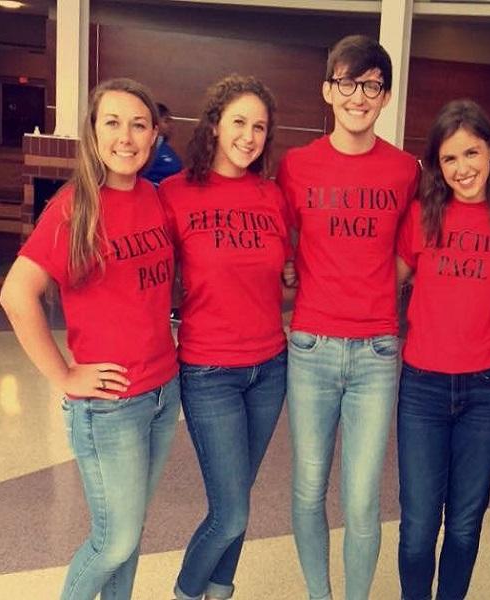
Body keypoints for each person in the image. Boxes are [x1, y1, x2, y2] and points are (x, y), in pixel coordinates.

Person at [0, 78, 180, 600]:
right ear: (94, 133)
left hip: (163, 393)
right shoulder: (76, 205)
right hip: (109, 407)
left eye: (139, 125)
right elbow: (16, 294)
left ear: (154, 137)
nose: (126, 136)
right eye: (113, 123)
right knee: (115, 539)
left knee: (130, 536)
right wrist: (63, 373)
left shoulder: (154, 197)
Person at [276, 34, 420, 600]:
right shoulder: (296, 166)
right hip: (310, 348)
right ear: (327, 91)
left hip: (377, 353)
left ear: (384, 96)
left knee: (362, 499)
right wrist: (291, 270)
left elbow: (415, 250)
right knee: (309, 489)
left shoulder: (405, 171)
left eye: (371, 85)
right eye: (346, 83)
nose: (358, 96)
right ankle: (320, 594)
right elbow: (274, 236)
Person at [160, 75, 290, 600]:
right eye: (239, 121)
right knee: (231, 510)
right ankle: (188, 592)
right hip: (209, 370)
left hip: (269, 368)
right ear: (214, 124)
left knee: (240, 500)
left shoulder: (272, 195)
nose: (249, 135)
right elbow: (145, 273)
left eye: (260, 126)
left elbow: (279, 275)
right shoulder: (173, 195)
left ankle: (220, 591)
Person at [395, 100, 490, 600]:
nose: (462, 168)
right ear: (436, 166)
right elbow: (383, 289)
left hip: (488, 391)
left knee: (465, 525)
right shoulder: (421, 218)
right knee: (419, 526)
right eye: (450, 159)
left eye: (471, 153)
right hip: (422, 388)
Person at [144, 102, 183, 185]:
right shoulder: (143, 150)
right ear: (155, 123)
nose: (171, 125)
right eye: (166, 121)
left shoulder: (166, 148)